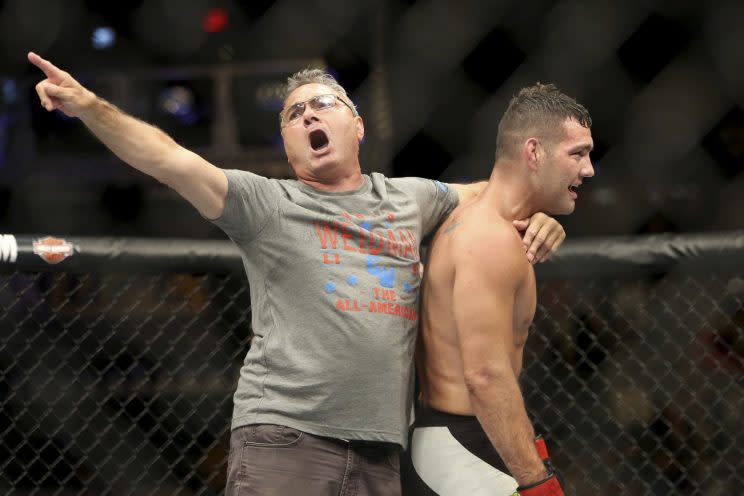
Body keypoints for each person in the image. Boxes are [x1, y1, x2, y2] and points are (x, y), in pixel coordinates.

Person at [29, 51, 566, 496]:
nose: (308, 116)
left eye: (322, 104)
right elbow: (168, 158)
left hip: (382, 450)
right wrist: (89, 106)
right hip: (287, 438)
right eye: (293, 114)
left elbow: (496, 194)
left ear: (356, 124)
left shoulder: (410, 197)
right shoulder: (267, 203)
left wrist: (542, 216)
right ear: (286, 144)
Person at [401, 83, 595, 496]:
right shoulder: (490, 237)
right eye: (577, 153)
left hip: (455, 441)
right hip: (461, 447)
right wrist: (538, 483)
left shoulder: (480, 222)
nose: (589, 169)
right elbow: (485, 374)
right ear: (533, 152)